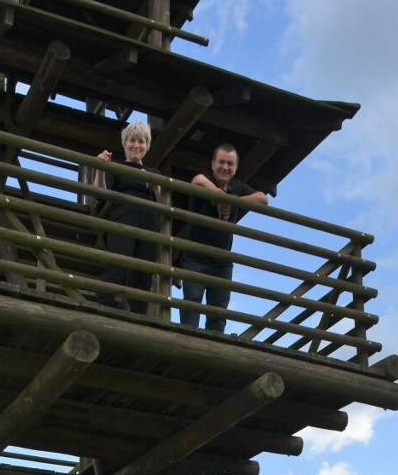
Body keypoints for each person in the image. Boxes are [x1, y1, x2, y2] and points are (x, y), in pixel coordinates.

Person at [179, 143, 268, 333]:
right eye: (221, 162)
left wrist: (232, 201)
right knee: (192, 306)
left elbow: (263, 198)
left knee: (218, 315)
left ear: (235, 168)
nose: (225, 167)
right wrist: (218, 195)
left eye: (230, 163)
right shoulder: (205, 180)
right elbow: (197, 180)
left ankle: (213, 351)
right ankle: (186, 346)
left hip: (222, 263)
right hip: (195, 258)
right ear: (212, 164)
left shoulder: (236, 187)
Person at [93, 120, 161, 314]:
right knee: (119, 263)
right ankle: (102, 306)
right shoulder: (116, 167)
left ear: (146, 146)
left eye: (141, 141)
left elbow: (162, 202)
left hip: (149, 222)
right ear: (125, 144)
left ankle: (139, 316)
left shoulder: (153, 173)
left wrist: (156, 186)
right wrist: (100, 168)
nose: (136, 145)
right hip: (123, 217)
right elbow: (100, 193)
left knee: (143, 273)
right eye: (132, 140)